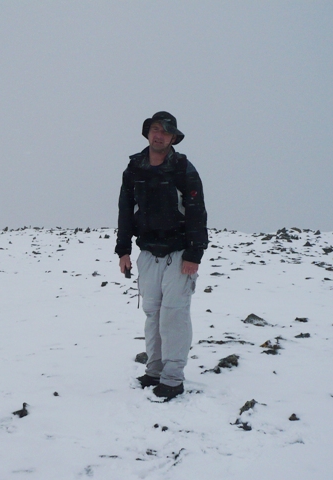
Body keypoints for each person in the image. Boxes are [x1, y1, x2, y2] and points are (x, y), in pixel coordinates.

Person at [115, 111, 208, 400]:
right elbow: (125, 211)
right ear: (147, 133)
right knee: (152, 314)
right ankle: (154, 370)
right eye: (155, 129)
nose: (159, 135)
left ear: (173, 138)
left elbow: (196, 212)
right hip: (148, 254)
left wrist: (194, 253)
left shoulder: (183, 169)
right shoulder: (134, 169)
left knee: (174, 316)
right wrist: (124, 250)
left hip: (179, 255)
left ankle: (172, 378)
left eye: (165, 132)